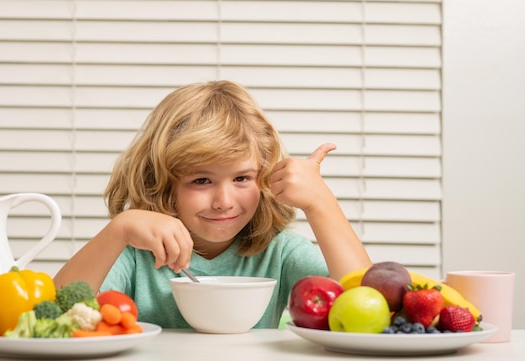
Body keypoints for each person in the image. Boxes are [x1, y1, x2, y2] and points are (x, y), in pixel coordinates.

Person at [53, 80, 371, 328]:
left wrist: (321, 204)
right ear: (161, 183)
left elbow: (366, 310)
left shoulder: (281, 252)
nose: (224, 202)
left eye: (242, 179)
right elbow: (53, 317)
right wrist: (117, 230)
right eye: (201, 181)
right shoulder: (134, 256)